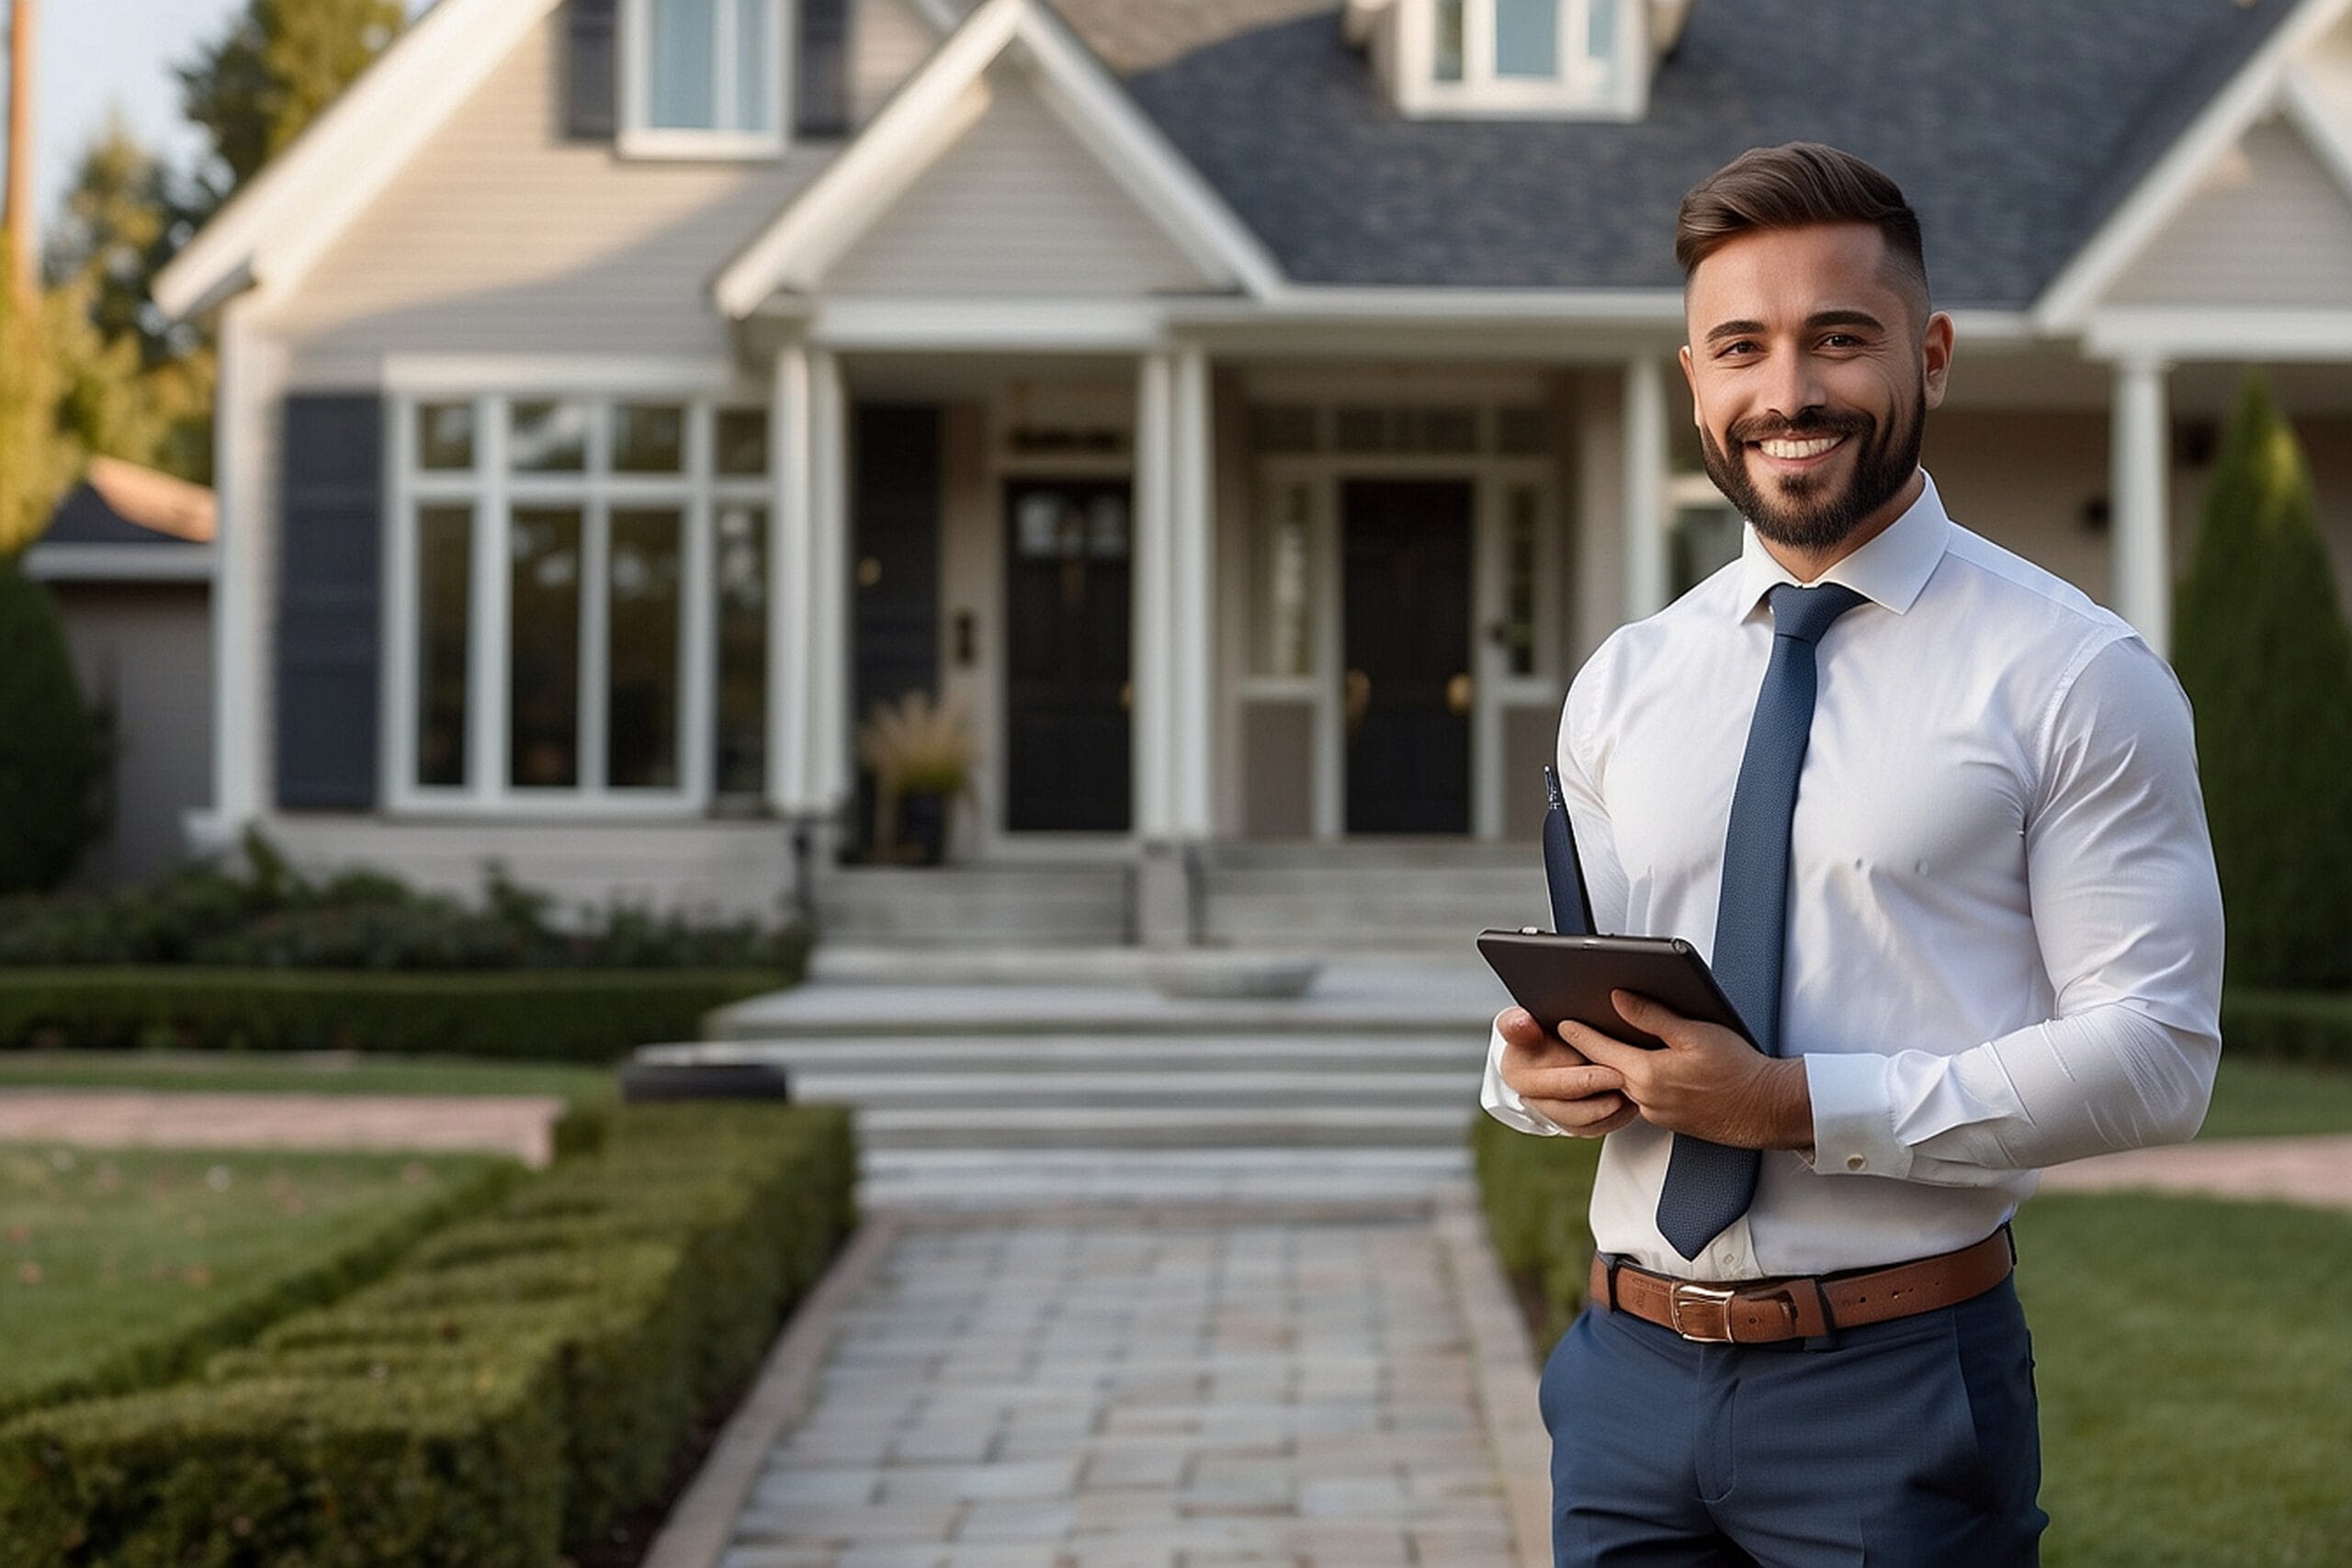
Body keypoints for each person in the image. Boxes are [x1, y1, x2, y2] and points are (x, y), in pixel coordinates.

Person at [1481, 141, 2224, 1567]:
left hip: (1894, 1391)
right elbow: (1598, 990)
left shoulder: (2075, 676)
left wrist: (1794, 1106)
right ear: (1692, 379)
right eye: (1741, 348)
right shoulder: (1624, 682)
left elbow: (2157, 1053)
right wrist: (1526, 1075)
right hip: (1624, 1382)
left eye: (1840, 339)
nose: (1789, 393)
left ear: (1929, 354)